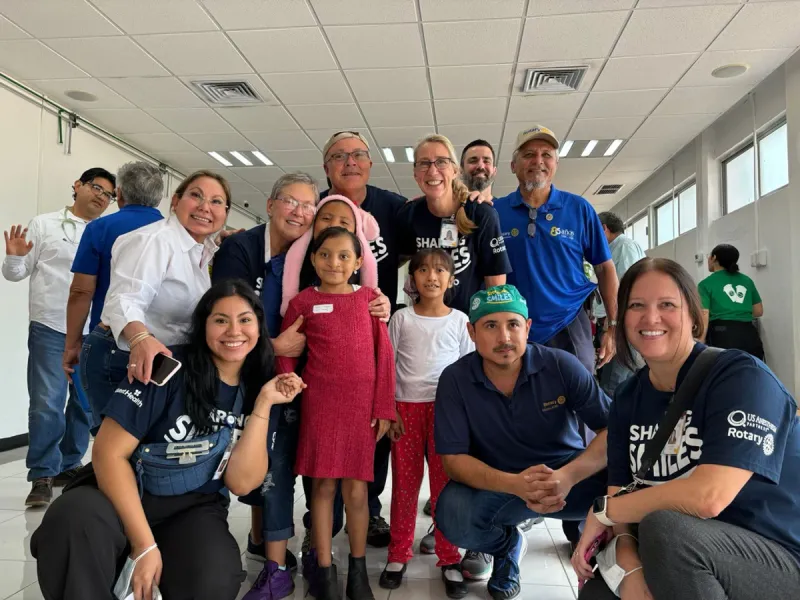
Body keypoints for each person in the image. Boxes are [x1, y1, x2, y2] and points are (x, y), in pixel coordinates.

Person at [31, 280, 306, 600]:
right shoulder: (167, 367)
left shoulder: (262, 384)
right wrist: (143, 544)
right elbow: (108, 453)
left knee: (214, 576)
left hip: (193, 506)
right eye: (220, 320)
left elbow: (242, 483)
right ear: (203, 326)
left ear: (259, 327)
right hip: (120, 493)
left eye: (245, 319)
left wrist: (262, 405)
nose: (234, 331)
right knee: (72, 522)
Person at [573, 257, 800, 600]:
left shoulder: (740, 377)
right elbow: (623, 497)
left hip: (774, 556)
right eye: (636, 305)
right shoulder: (628, 396)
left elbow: (708, 498)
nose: (651, 318)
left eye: (667, 305)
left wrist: (603, 510)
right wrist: (631, 573)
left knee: (665, 527)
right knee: (599, 594)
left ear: (694, 316)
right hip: (683, 558)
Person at [434, 285, 611, 600]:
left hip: (567, 478)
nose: (504, 337)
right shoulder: (455, 380)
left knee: (629, 489)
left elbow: (613, 430)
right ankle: (507, 546)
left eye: (513, 324)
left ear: (527, 327)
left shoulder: (561, 365)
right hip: (500, 482)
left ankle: (613, 564)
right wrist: (515, 485)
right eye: (490, 325)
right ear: (471, 332)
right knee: (453, 515)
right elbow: (454, 460)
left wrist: (568, 476)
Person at [278, 226, 396, 600]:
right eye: (325, 254)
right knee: (323, 487)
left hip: (363, 409)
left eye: (344, 255)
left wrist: (384, 408)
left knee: (358, 491)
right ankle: (325, 570)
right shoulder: (302, 303)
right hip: (321, 405)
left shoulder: (369, 300)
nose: (334, 262)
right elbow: (286, 351)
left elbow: (385, 356)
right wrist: (285, 380)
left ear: (359, 262)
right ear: (313, 259)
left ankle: (357, 572)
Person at [2, 167, 116, 507]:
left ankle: (69, 465)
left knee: (84, 404)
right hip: (50, 327)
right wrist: (14, 256)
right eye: (96, 188)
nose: (101, 196)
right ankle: (41, 474)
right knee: (47, 404)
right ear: (77, 186)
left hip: (92, 331)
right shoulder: (44, 224)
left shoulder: (105, 231)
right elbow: (16, 274)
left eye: (108, 194)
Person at [85, 169, 230, 430]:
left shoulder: (201, 250)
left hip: (162, 360)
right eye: (195, 195)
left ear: (225, 213)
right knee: (119, 454)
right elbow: (125, 298)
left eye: (216, 201)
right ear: (175, 201)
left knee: (148, 454)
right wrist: (141, 339)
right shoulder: (154, 241)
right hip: (123, 354)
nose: (205, 207)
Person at [320, 132, 407, 548]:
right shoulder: (319, 209)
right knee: (321, 431)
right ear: (327, 168)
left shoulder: (392, 207)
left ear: (370, 164)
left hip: (372, 331)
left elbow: (431, 231)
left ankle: (369, 510)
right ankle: (321, 513)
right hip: (320, 336)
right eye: (339, 156)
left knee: (372, 426)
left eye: (357, 155)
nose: (349, 162)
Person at [379, 249, 473, 598]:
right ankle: (398, 553)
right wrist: (390, 410)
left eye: (439, 270)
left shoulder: (460, 320)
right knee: (404, 485)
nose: (431, 276)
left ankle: (449, 556)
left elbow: (467, 373)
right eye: (422, 270)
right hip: (406, 411)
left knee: (445, 488)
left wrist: (463, 417)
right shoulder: (401, 319)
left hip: (445, 414)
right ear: (412, 278)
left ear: (451, 279)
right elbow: (387, 367)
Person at [493, 125, 618, 375]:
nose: (538, 161)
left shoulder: (579, 209)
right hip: (514, 327)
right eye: (528, 154)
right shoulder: (496, 211)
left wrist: (613, 326)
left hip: (569, 324)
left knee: (580, 401)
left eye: (546, 154)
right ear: (513, 165)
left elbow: (604, 268)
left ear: (556, 164)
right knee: (518, 403)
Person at [64, 161, 165, 431]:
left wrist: (72, 344)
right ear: (160, 197)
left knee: (109, 431)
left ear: (119, 194)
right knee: (150, 430)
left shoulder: (100, 228)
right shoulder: (171, 233)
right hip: (160, 347)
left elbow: (81, 291)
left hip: (110, 342)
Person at [398, 134, 511, 315]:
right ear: (415, 173)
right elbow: (398, 269)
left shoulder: (481, 214)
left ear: (455, 170)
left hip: (469, 328)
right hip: (426, 323)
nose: (432, 171)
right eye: (424, 163)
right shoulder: (409, 214)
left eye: (441, 162)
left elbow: (496, 289)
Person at [595, 211, 646, 397]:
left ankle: (613, 425)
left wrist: (612, 327)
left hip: (620, 325)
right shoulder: (612, 250)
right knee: (614, 382)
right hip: (614, 324)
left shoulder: (624, 246)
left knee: (612, 386)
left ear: (603, 229)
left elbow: (625, 289)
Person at [698, 243, 765, 360]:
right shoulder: (747, 281)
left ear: (714, 258)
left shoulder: (706, 284)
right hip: (749, 334)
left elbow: (704, 314)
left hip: (722, 335)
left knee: (724, 375)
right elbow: (758, 311)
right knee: (752, 373)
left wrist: (700, 341)